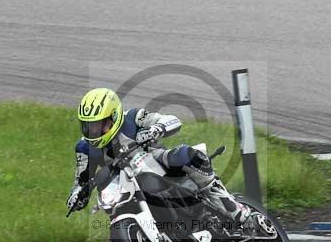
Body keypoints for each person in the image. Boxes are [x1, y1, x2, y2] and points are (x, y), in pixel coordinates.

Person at [66, 87, 250, 227]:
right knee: (107, 198)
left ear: (114, 116)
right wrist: (76, 197)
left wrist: (156, 129)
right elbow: (81, 182)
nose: (94, 131)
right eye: (89, 126)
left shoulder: (133, 117)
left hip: (153, 161)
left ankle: (228, 204)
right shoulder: (84, 148)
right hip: (122, 183)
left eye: (100, 125)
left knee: (186, 154)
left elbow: (171, 120)